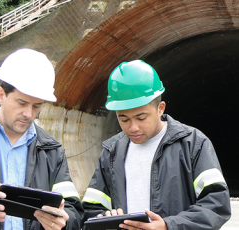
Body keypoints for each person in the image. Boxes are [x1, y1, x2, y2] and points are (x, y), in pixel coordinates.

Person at [82, 60, 231, 230]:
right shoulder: (111, 152)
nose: (133, 127)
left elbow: (217, 204)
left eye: (141, 118)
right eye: (123, 119)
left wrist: (168, 226)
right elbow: (91, 210)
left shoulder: (193, 144)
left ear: (160, 108)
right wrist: (106, 220)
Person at [0, 48, 83, 230]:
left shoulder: (52, 151)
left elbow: (74, 212)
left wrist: (65, 221)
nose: (28, 114)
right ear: (1, 95)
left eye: (36, 106)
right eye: (22, 103)